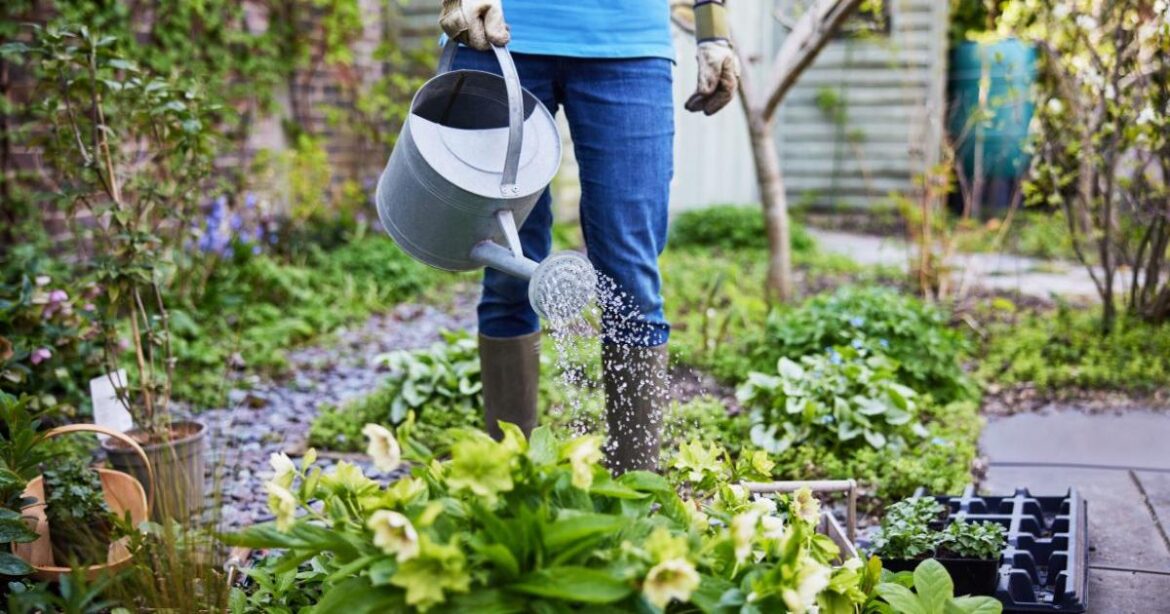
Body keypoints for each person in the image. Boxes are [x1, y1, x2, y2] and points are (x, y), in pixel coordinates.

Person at [439, 0, 739, 472]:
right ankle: (505, 484)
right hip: (500, 34)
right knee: (507, 269)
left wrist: (713, 29)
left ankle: (635, 494)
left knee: (632, 279)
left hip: (628, 42)